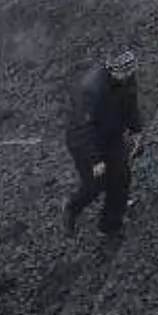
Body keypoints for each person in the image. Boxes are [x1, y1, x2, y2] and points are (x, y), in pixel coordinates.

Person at [63, 48, 143, 240]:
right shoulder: (91, 89)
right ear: (112, 70)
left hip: (111, 135)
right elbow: (83, 128)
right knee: (95, 184)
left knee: (121, 178)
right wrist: (95, 160)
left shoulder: (127, 77)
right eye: (124, 74)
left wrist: (136, 130)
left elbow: (130, 103)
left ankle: (110, 225)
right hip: (86, 141)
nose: (128, 77)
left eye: (130, 72)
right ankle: (71, 206)